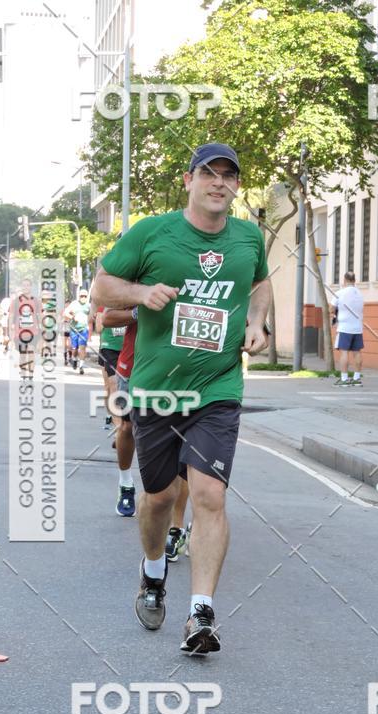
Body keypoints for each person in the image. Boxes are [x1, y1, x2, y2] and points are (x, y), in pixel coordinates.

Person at [91, 142, 271, 655]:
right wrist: (140, 295)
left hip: (217, 389)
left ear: (236, 185)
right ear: (189, 181)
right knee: (159, 498)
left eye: (228, 176)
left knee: (209, 495)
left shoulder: (248, 238)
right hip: (157, 392)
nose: (219, 183)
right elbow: (103, 288)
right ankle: (152, 575)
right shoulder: (152, 232)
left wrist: (257, 323)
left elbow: (259, 284)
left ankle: (201, 614)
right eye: (209, 174)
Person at [102, 307, 136, 516]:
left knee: (178, 437)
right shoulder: (134, 279)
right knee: (128, 427)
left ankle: (176, 526)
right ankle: (126, 484)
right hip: (134, 364)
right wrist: (138, 311)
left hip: (180, 367)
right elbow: (105, 318)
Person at [330, 271, 364, 387]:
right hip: (357, 327)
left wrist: (335, 313)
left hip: (344, 327)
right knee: (357, 352)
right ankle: (357, 378)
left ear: (344, 280)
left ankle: (344, 379)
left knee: (344, 352)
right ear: (354, 280)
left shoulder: (339, 293)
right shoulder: (360, 294)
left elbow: (331, 309)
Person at [9, 279, 40, 376]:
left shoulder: (36, 301)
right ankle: (23, 373)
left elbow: (40, 316)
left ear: (31, 287)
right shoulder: (16, 301)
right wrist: (10, 331)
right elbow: (11, 316)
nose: (25, 287)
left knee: (31, 352)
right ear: (21, 287)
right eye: (24, 285)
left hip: (33, 332)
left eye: (27, 285)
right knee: (22, 354)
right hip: (20, 332)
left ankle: (30, 374)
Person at [65, 289, 91, 374]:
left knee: (82, 347)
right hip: (74, 329)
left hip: (83, 329)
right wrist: (72, 317)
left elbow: (92, 317)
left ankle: (81, 366)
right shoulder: (74, 304)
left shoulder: (89, 306)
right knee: (75, 349)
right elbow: (65, 313)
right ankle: (75, 359)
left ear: (87, 297)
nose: (83, 297)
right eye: (81, 296)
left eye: (85, 296)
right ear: (78, 296)